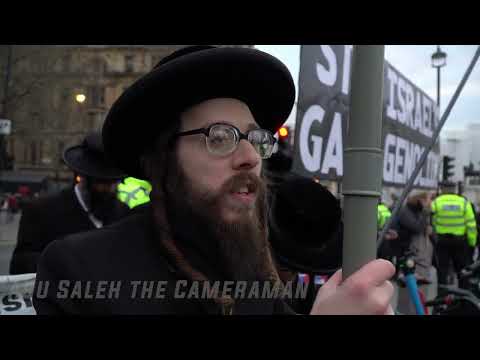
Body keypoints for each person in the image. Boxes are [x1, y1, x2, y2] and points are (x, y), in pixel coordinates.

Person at [33, 45, 394, 315]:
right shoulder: (80, 271)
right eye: (220, 138)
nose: (251, 158)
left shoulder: (251, 266)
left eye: (256, 139)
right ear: (163, 160)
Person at [9, 132, 129, 275]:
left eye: (114, 182)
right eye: (102, 182)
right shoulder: (41, 211)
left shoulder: (125, 214)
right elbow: (20, 264)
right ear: (84, 178)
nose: (109, 189)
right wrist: (68, 264)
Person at [431, 182, 477, 289]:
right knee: (462, 270)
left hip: (442, 241)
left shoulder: (436, 203)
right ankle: (463, 297)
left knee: (442, 270)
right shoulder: (464, 203)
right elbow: (471, 225)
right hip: (460, 242)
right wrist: (472, 243)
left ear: (442, 189)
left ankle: (441, 298)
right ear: (454, 189)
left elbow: (432, 222)